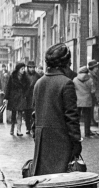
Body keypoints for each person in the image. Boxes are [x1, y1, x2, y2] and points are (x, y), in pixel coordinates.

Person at [31, 43, 81, 176]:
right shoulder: (66, 83)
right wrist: (76, 142)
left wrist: (36, 135)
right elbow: (71, 117)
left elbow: (34, 114)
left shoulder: (39, 83)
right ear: (64, 64)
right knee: (60, 184)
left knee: (45, 183)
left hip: (42, 143)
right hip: (61, 142)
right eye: (69, 62)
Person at [4, 62, 30, 137]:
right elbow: (8, 87)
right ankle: (12, 127)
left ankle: (19, 130)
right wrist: (6, 98)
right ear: (18, 69)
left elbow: (28, 87)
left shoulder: (25, 77)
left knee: (20, 113)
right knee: (13, 113)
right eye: (22, 69)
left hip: (21, 97)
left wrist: (25, 95)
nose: (23, 70)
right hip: (14, 97)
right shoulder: (12, 77)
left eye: (24, 69)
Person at [73, 66, 95, 140]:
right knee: (87, 118)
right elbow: (93, 91)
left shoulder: (75, 80)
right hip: (87, 100)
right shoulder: (90, 80)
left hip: (78, 101)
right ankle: (87, 133)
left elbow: (72, 90)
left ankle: (76, 133)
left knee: (76, 117)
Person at [24, 60, 42, 136]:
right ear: (27, 68)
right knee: (26, 113)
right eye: (30, 67)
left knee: (34, 113)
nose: (31, 69)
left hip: (35, 96)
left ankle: (32, 127)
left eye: (33, 67)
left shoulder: (38, 76)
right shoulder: (24, 75)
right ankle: (28, 127)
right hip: (26, 97)